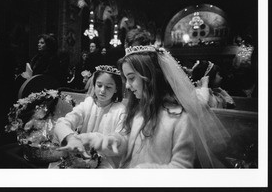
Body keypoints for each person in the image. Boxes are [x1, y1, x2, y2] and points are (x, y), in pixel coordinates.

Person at [79, 45, 230, 168]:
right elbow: (129, 141)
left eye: (131, 78)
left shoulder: (179, 117)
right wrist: (107, 140)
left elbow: (181, 167)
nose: (127, 86)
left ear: (150, 77)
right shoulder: (139, 109)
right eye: (126, 79)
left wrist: (143, 171)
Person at [53, 65, 126, 168]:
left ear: (116, 89)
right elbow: (63, 123)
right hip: (80, 157)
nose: (102, 91)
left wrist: (98, 142)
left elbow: (119, 144)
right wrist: (70, 138)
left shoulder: (121, 111)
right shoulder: (88, 103)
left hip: (107, 162)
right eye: (99, 85)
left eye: (108, 87)